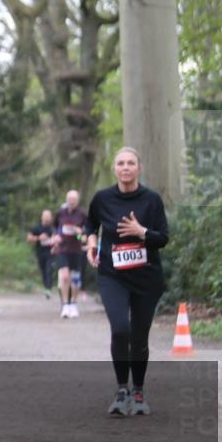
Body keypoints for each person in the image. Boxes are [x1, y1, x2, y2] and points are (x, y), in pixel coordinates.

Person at [85, 147, 169, 417]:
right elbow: (90, 225)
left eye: (131, 163)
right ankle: (122, 390)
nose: (125, 167)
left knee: (139, 337)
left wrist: (141, 232)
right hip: (113, 275)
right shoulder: (102, 199)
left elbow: (163, 238)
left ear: (139, 168)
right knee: (120, 329)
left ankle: (139, 391)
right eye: (120, 163)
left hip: (146, 277)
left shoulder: (152, 200)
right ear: (114, 169)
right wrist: (92, 243)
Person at [54, 190, 88, 318]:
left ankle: (73, 303)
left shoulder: (82, 215)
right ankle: (65, 304)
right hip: (63, 250)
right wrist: (56, 237)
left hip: (77, 251)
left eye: (74, 199)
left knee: (75, 279)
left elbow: (84, 237)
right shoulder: (60, 214)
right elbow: (56, 229)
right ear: (66, 199)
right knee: (64, 276)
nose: (71, 201)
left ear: (77, 201)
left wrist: (78, 233)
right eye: (69, 199)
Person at [26, 209, 56, 298]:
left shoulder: (53, 228)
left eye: (48, 217)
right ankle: (46, 287)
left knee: (49, 270)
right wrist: (39, 238)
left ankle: (49, 289)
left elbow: (58, 238)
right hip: (40, 253)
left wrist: (54, 241)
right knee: (43, 271)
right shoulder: (37, 228)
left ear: (51, 218)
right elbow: (29, 238)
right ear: (42, 217)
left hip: (51, 253)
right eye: (45, 216)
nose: (47, 218)